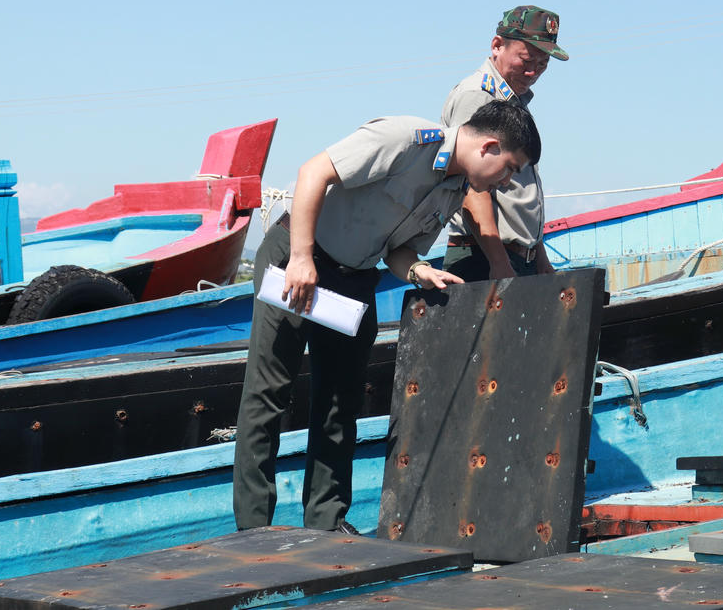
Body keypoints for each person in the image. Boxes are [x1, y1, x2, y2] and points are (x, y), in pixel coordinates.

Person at [232, 99, 542, 534]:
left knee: (339, 403)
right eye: (509, 169)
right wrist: (301, 257)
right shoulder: (404, 139)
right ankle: (253, 530)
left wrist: (418, 270)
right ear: (489, 147)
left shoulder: (454, 190)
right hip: (297, 258)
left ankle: (326, 521)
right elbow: (313, 173)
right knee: (268, 394)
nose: (507, 182)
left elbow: (399, 250)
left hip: (354, 279)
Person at [441, 5, 567, 281]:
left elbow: (519, 191)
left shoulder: (511, 100)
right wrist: (499, 263)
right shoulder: (478, 96)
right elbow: (470, 186)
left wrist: (539, 257)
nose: (533, 72)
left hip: (514, 258)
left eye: (542, 65)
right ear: (497, 46)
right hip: (483, 257)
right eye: (526, 60)